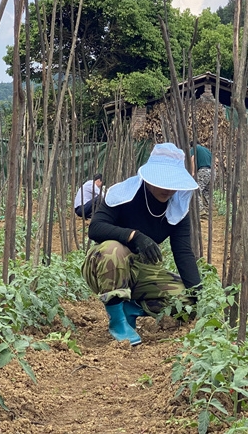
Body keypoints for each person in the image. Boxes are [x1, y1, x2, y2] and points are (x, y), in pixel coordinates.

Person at [81, 143, 200, 346]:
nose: (168, 189)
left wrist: (199, 295)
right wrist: (133, 236)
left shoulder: (177, 208)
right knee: (114, 249)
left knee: (187, 302)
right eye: (162, 182)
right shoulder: (124, 195)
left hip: (141, 272)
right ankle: (117, 319)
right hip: (104, 266)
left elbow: (183, 253)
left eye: (173, 183)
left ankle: (132, 308)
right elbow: (95, 228)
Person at [190, 144, 213, 215]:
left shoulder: (194, 148)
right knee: (206, 192)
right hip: (212, 171)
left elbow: (192, 159)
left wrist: (192, 172)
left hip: (203, 171)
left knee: (196, 190)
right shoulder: (207, 150)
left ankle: (201, 211)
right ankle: (209, 210)